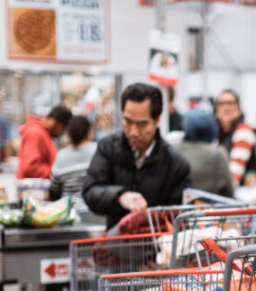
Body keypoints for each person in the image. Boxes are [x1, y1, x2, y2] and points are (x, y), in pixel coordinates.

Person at [82, 82, 191, 230]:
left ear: (157, 120)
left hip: (157, 248)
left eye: (141, 124)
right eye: (127, 121)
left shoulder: (176, 164)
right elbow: (90, 192)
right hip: (114, 246)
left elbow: (179, 217)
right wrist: (119, 196)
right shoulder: (108, 147)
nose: (133, 132)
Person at [175, 108, 233, 197]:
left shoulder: (173, 150)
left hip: (177, 209)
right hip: (210, 208)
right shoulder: (218, 155)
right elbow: (229, 192)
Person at [49, 115, 97, 211]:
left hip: (68, 212)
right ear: (89, 132)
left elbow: (54, 188)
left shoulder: (60, 156)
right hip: (94, 211)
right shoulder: (98, 150)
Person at [16, 104, 72, 179]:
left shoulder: (45, 134)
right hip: (33, 189)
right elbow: (30, 168)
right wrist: (58, 172)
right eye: (63, 128)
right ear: (54, 121)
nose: (62, 133)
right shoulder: (35, 133)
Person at [215, 89, 256, 187]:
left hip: (241, 192)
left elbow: (234, 177)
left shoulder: (243, 132)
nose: (226, 108)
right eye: (221, 104)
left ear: (238, 107)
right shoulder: (218, 132)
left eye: (230, 103)